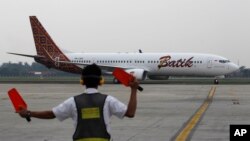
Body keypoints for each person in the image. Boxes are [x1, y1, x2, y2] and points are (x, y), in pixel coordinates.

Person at [18, 63, 139, 141]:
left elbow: (51, 114)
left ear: (82, 81)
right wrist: (134, 90)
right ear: (101, 81)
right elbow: (130, 113)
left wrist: (28, 113)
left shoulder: (73, 102)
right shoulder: (108, 101)